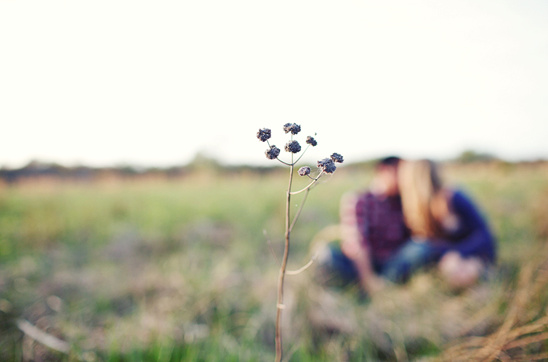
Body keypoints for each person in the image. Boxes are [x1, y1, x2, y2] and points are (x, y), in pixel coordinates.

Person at [317, 156, 424, 293]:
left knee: (422, 247)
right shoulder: (360, 199)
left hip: (394, 264)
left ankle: (385, 285)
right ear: (384, 171)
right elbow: (357, 242)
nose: (406, 180)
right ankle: (366, 287)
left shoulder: (406, 200)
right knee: (325, 254)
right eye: (401, 173)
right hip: (362, 264)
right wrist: (369, 280)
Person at [397, 159, 496, 289]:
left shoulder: (454, 197)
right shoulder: (413, 210)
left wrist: (457, 252)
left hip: (472, 253)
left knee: (459, 271)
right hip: (446, 261)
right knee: (451, 269)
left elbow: (485, 236)